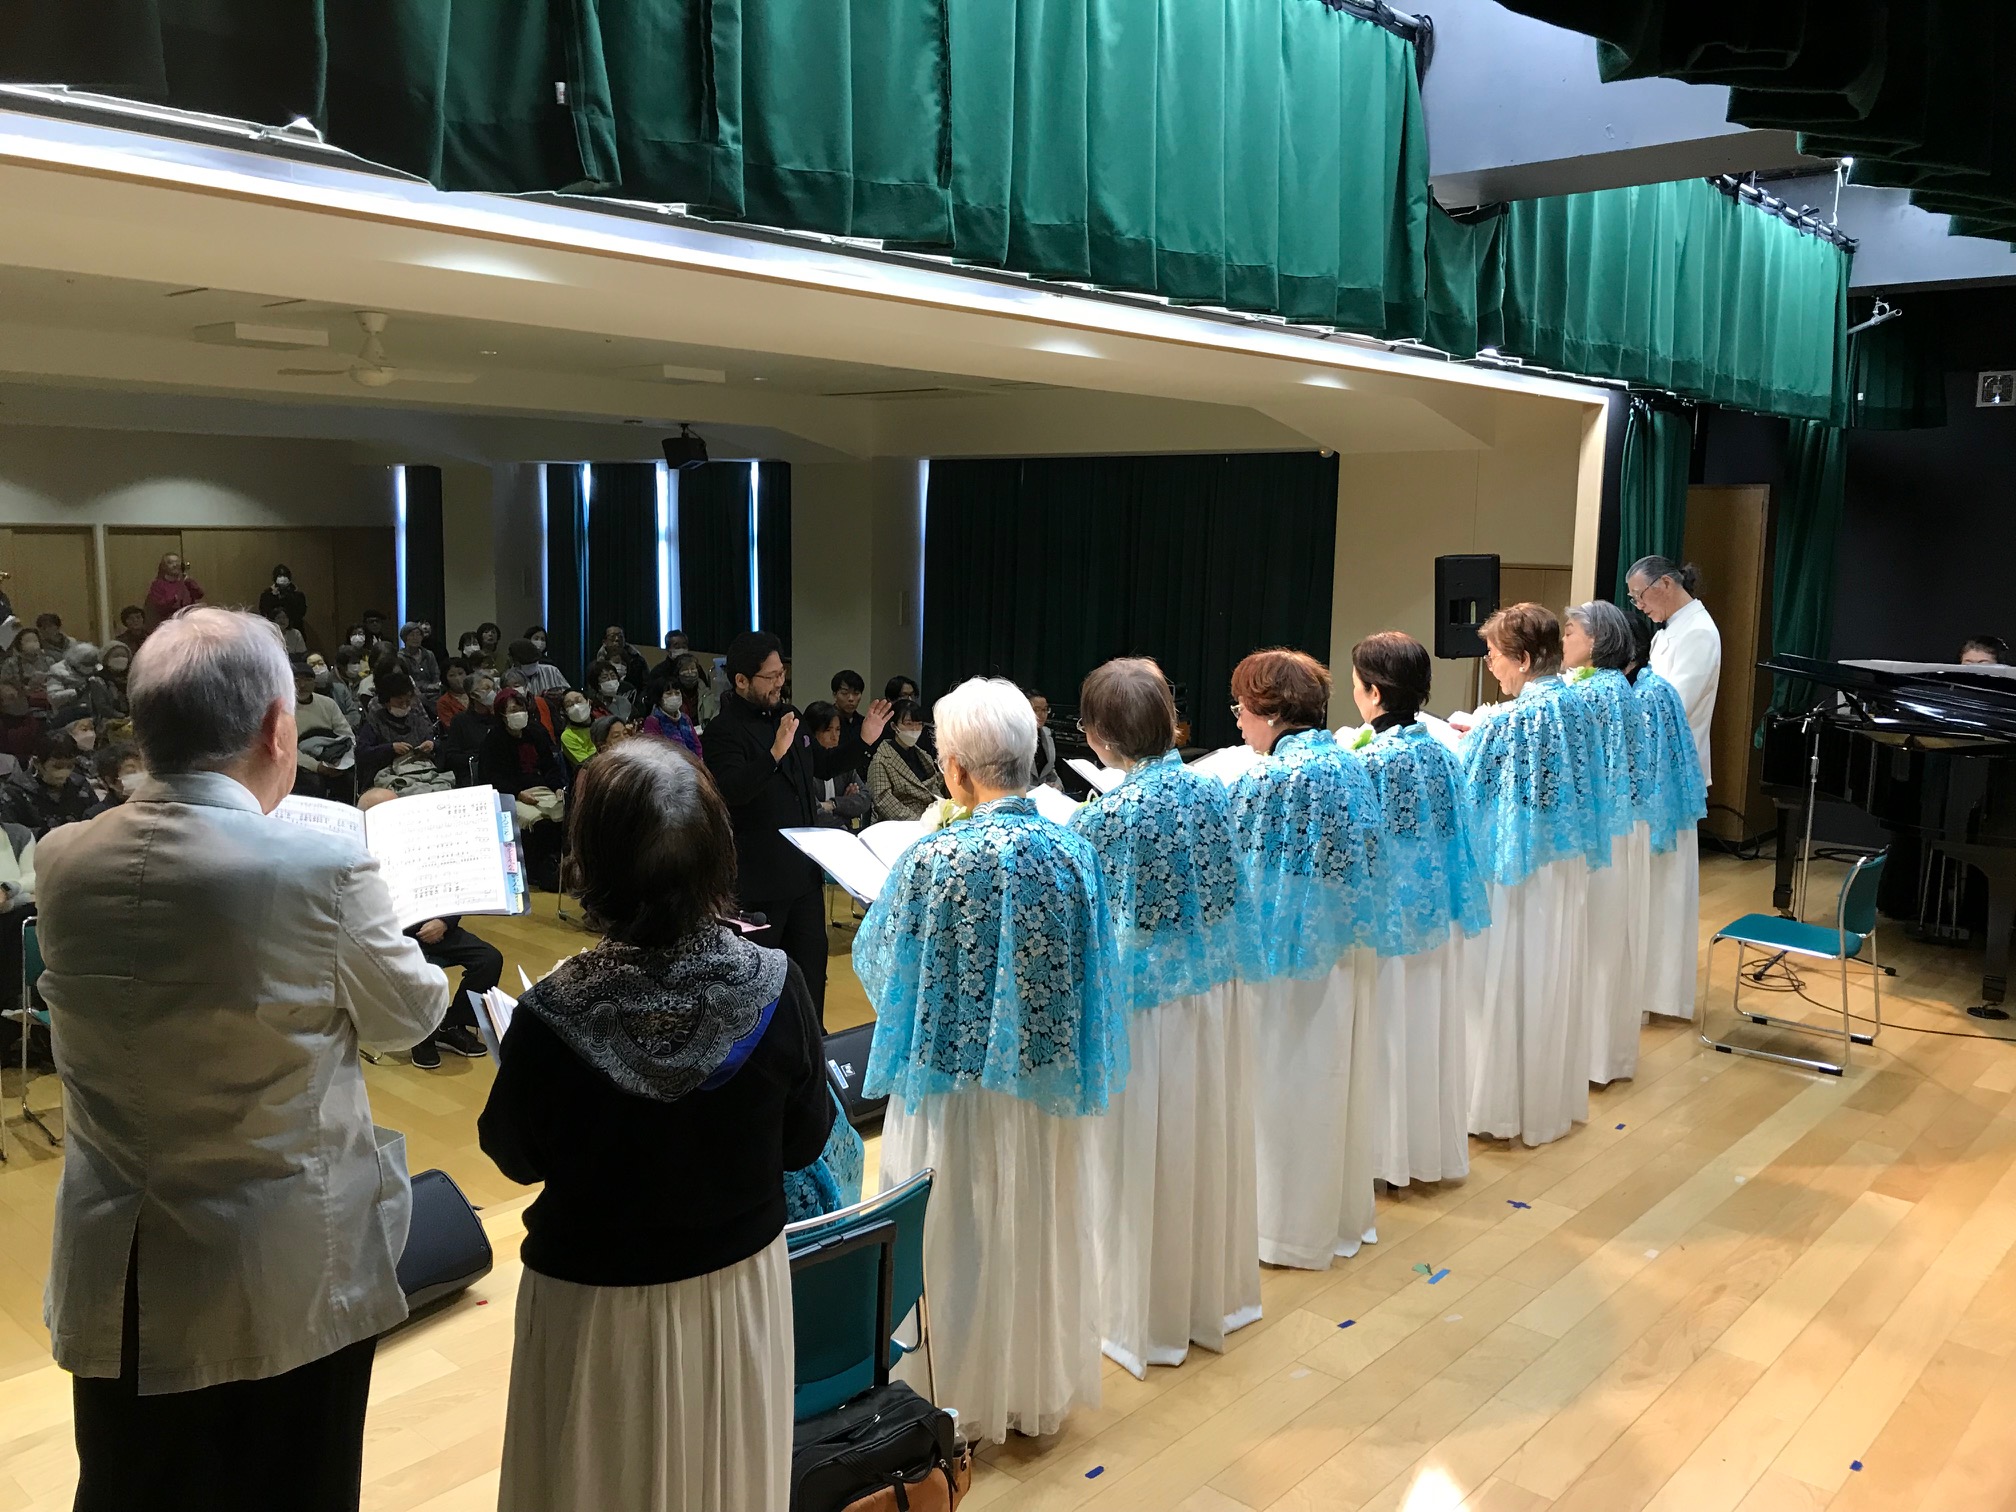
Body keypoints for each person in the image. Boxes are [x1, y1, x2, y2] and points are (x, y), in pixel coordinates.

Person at [37, 606, 447, 1512]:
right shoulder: (321, 869)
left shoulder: (64, 861)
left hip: (119, 1258)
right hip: (277, 1271)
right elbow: (406, 1018)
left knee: (132, 1488)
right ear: (277, 729)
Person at [480, 739, 828, 1510]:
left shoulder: (549, 1012)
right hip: (738, 1289)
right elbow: (805, 1140)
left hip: (594, 1307)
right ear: (717, 853)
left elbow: (513, 1154)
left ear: (590, 862)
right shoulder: (779, 983)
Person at [857, 677, 1126, 1441]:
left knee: (958, 1230)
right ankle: (1032, 1384)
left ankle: (953, 1389)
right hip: (1044, 1077)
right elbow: (1099, 969)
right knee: (1033, 1223)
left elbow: (884, 965)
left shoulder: (934, 858)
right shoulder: (1074, 850)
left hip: (953, 1084)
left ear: (955, 768)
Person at [1070, 658, 1260, 1377]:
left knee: (1138, 1157)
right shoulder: (1210, 789)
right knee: (1199, 1141)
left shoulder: (1104, 817)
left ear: (1098, 737)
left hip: (1142, 1011)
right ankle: (1203, 1295)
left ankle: (1138, 1314)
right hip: (1210, 996)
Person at [1226, 648, 1382, 1269]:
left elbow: (1237, 877)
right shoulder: (1346, 761)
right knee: (1330, 1082)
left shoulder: (1268, 780)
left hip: (1286, 956)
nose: (1239, 720)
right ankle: (1329, 1218)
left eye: (1241, 708)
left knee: (1284, 1086)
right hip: (1342, 946)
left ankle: (1282, 1229)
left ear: (1269, 711)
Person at [1463, 604, 1613, 1149]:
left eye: (1494, 655)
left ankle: (1503, 1105)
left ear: (1523, 660)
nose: (1490, 665)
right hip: (1562, 857)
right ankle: (1547, 1100)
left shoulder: (1512, 719)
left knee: (1513, 973)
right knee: (1551, 974)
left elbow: (1470, 791)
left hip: (1519, 864)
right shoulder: (1576, 702)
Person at [1348, 632, 1490, 1189]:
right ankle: (1424, 1149)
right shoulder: (1440, 750)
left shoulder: (1371, 761)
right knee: (1427, 1032)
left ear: (1374, 693)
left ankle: (1385, 1158)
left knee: (1390, 1034)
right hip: (1439, 914)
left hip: (1392, 922)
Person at [1564, 602, 1656, 1087]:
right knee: (1608, 938)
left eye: (1570, 632)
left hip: (1603, 827)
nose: (1563, 640)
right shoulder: (1614, 686)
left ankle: (1590, 1059)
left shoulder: (1592, 692)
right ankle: (1604, 1054)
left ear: (1597, 641)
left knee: (1595, 939)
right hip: (1621, 823)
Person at [352, 787, 497, 1070]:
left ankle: (448, 1024)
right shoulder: (353, 856)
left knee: (489, 959)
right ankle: (421, 1034)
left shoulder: (421, 841)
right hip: (389, 936)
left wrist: (444, 922)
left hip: (435, 928)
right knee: (422, 969)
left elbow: (453, 888)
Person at [1629, 627, 1708, 1024]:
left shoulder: (1645, 696)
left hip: (1650, 809)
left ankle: (1644, 995)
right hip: (1655, 804)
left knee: (1653, 898)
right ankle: (1649, 993)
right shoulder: (1649, 687)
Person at [1626, 555, 1721, 786]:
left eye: (1640, 595)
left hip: (1676, 767)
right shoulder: (1670, 629)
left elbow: (1675, 706)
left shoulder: (1698, 631)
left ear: (1666, 583)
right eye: (1633, 599)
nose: (1639, 605)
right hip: (1656, 761)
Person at [483, 688, 567, 888]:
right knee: (537, 821)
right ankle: (536, 870)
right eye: (513, 710)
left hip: (541, 788)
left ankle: (558, 864)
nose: (519, 713)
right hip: (512, 793)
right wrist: (518, 793)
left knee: (565, 812)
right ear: (502, 714)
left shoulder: (536, 732)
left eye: (521, 708)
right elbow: (492, 777)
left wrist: (557, 787)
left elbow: (549, 766)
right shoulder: (494, 739)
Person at [1, 732, 97, 836]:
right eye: (57, 767)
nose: (64, 772)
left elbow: (98, 818)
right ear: (37, 763)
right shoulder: (15, 791)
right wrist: (47, 834)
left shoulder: (80, 785)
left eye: (70, 766)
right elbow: (9, 833)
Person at [866, 698, 944, 820]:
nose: (914, 729)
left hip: (932, 815)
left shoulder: (924, 756)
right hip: (902, 822)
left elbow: (935, 787)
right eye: (908, 724)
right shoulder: (880, 760)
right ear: (894, 726)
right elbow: (883, 800)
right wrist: (916, 822)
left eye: (918, 724)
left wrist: (944, 812)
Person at [357, 670, 438, 785]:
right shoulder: (375, 721)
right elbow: (362, 753)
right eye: (399, 702)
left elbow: (433, 738)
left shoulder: (416, 718)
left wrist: (431, 744)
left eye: (408, 701)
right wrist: (390, 749)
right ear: (386, 701)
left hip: (421, 770)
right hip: (388, 774)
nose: (404, 706)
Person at [802, 701, 872, 827]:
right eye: (828, 730)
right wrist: (847, 810)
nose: (834, 737)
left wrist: (833, 804)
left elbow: (865, 799)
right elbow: (815, 815)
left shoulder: (842, 762)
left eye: (838, 729)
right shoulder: (804, 766)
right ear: (812, 733)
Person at [292, 663, 355, 800]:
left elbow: (347, 735)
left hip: (332, 757)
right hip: (301, 762)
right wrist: (316, 766)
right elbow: (288, 749)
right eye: (297, 680)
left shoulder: (328, 704)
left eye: (308, 680)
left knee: (349, 778)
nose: (302, 685)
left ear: (314, 682)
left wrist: (340, 763)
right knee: (315, 783)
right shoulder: (285, 709)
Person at [438, 670, 500, 777]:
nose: (492, 693)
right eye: (486, 689)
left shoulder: (499, 718)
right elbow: (452, 756)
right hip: (474, 773)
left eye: (493, 689)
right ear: (473, 695)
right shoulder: (460, 721)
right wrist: (476, 758)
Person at [145, 551, 205, 627]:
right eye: (170, 563)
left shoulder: (186, 582)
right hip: (169, 623)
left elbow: (199, 594)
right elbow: (159, 607)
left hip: (189, 621)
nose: (175, 565)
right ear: (164, 567)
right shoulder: (158, 585)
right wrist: (174, 599)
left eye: (177, 562)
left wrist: (189, 582)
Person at [84, 743, 144, 818]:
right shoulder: (97, 815)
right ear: (110, 781)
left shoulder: (154, 805)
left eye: (144, 770)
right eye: (131, 772)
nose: (143, 775)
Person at [0, 624, 54, 698]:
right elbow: (4, 684)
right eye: (28, 641)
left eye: (35, 640)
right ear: (20, 644)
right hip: (21, 699)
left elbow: (56, 680)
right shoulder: (11, 663)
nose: (33, 643)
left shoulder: (48, 661)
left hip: (46, 697)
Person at [397, 622, 443, 702]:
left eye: (418, 634)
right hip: (412, 693)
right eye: (412, 635)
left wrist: (436, 685)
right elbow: (406, 681)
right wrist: (427, 686)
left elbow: (436, 674)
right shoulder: (400, 657)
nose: (415, 638)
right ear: (405, 638)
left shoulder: (429, 654)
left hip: (433, 692)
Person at [1029, 690, 1063, 788]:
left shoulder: (1048, 734)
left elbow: (1050, 770)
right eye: (1036, 710)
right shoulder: (1014, 739)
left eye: (1044, 710)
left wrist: (1058, 787)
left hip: (1045, 793)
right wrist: (1040, 790)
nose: (1041, 714)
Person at [257, 564, 308, 630]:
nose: (283, 578)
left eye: (285, 576)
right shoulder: (267, 595)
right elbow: (264, 611)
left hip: (293, 628)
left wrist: (288, 596)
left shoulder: (298, 595)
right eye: (280, 576)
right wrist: (273, 596)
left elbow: (300, 612)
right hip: (274, 629)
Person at [558, 689, 600, 767]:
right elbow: (588, 764)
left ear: (589, 702)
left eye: (579, 701)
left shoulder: (601, 723)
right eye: (569, 705)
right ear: (565, 712)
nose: (576, 707)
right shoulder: (568, 736)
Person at [587, 655, 636, 722]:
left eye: (613, 676)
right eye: (605, 677)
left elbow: (638, 719)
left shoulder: (624, 702)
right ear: (596, 683)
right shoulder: (592, 705)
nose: (610, 680)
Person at [434, 656, 473, 725]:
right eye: (452, 675)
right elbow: (450, 726)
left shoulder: (476, 692)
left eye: (460, 673)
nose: (457, 678)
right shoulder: (443, 702)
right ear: (445, 679)